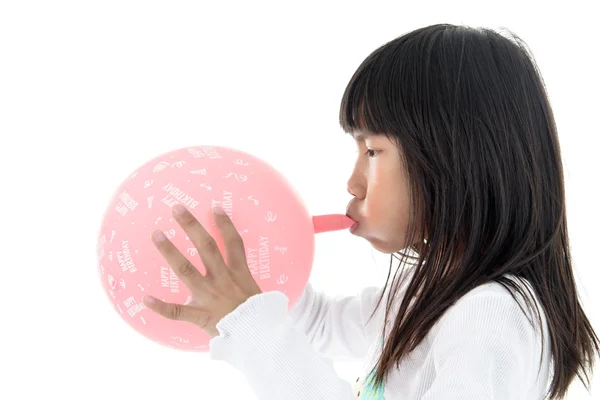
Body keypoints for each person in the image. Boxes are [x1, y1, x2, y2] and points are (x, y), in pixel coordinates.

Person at [206, 23, 600, 399]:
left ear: (453, 159)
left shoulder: (488, 315)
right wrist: (258, 277)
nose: (353, 183)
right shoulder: (424, 288)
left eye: (372, 152)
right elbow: (323, 326)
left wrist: (255, 327)